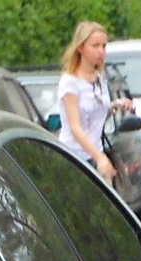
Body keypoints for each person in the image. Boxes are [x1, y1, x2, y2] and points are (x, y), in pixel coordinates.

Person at [56, 21, 133, 182]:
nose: (101, 51)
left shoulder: (99, 78)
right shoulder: (70, 82)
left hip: (96, 154)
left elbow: (95, 114)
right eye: (95, 46)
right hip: (74, 157)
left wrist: (115, 105)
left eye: (104, 46)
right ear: (80, 48)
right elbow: (75, 128)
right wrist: (99, 158)